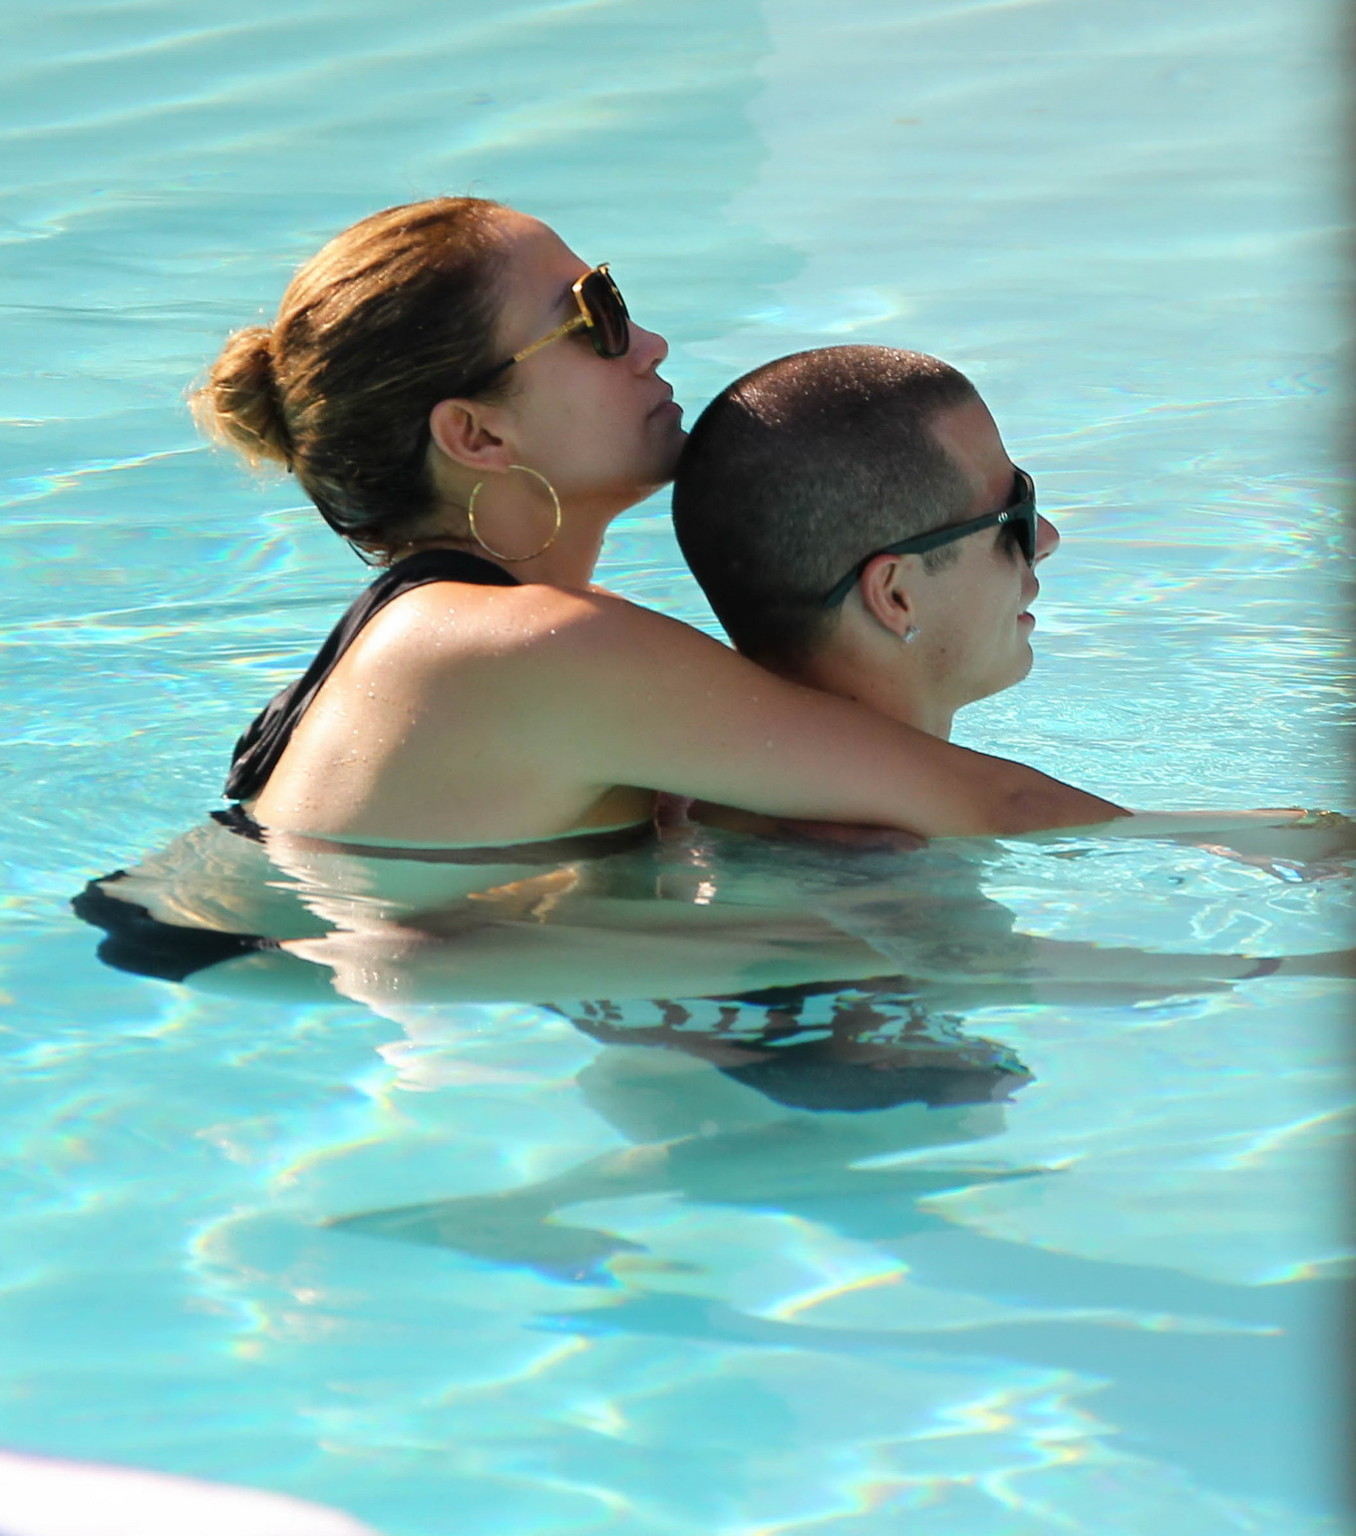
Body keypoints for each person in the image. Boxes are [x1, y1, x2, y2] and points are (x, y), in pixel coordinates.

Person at [193, 196, 1124, 851]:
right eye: (596, 317)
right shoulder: (530, 645)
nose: (648, 346)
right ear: (477, 433)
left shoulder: (471, 632)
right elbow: (988, 804)